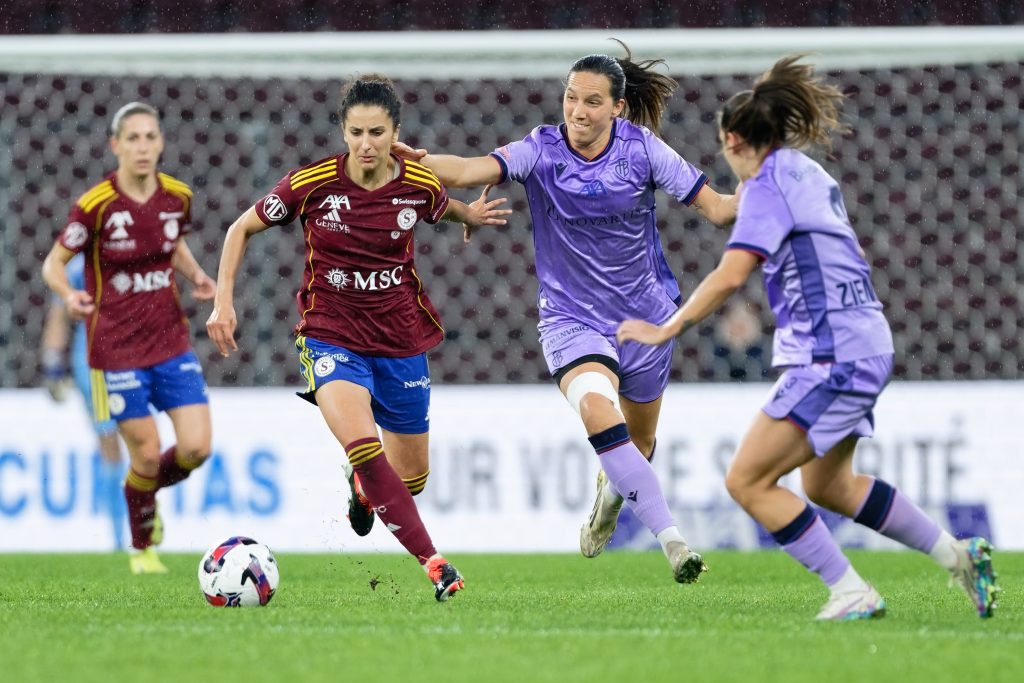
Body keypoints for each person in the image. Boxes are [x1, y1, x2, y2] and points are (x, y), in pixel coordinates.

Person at [617, 55, 999, 619]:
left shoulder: (766, 186)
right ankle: (959, 555)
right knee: (829, 485)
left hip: (832, 355)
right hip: (866, 340)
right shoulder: (807, 172)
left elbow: (731, 274)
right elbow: (854, 250)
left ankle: (850, 590)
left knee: (747, 480)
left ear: (732, 140)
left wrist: (666, 326)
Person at [395, 42, 737, 582]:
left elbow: (717, 209)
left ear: (617, 107)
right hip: (572, 318)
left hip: (646, 319)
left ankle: (610, 499)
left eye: (593, 102)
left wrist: (765, 190)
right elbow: (471, 168)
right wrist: (415, 163)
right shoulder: (542, 149)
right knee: (599, 412)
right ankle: (675, 544)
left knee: (638, 445)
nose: (578, 111)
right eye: (571, 98)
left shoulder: (644, 150)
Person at [205, 74, 510, 602]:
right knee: (364, 445)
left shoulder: (418, 181)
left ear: (395, 133)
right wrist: (223, 300)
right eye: (355, 132)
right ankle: (434, 563)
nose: (365, 144)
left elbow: (440, 208)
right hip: (331, 334)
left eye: (376, 132)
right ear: (342, 132)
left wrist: (471, 215)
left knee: (411, 478)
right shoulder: (314, 182)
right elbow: (240, 228)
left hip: (399, 338)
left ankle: (363, 489)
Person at [41, 101, 217, 575]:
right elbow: (53, 264)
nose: (142, 147)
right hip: (113, 353)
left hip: (170, 342)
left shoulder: (178, 196)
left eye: (150, 137)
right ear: (116, 146)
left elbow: (171, 241)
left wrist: (198, 275)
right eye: (132, 138)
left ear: (161, 143)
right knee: (142, 452)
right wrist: (68, 295)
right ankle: (143, 547)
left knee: (197, 449)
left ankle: (139, 491)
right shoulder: (95, 205)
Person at [41, 253, 127, 550]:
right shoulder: (80, 268)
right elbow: (59, 316)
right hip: (96, 367)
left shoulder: (133, 259)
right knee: (110, 445)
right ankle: (119, 538)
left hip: (134, 362)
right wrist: (53, 365)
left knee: (142, 444)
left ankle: (131, 532)